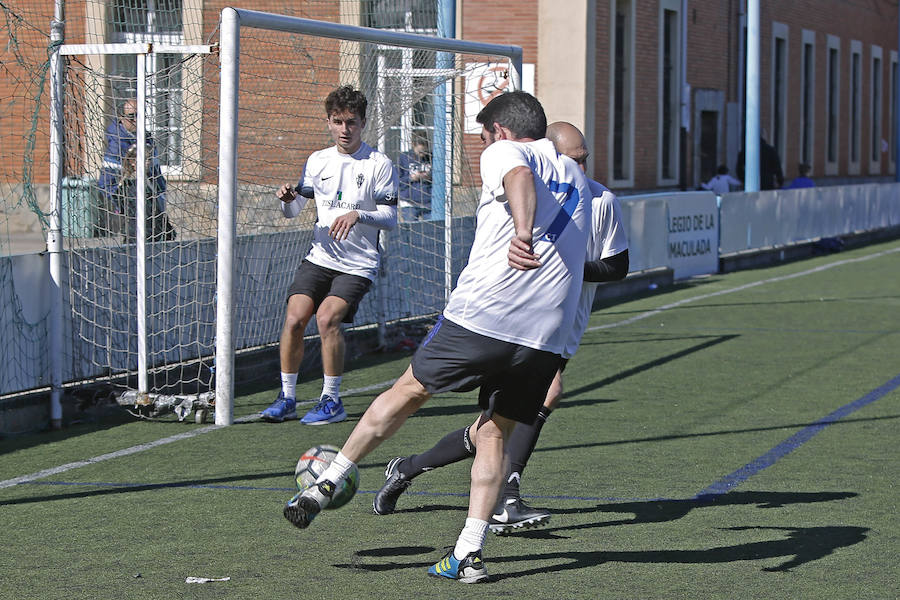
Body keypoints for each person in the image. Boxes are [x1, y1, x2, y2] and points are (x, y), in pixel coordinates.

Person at [282, 91, 591, 584]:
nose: (482, 148)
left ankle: (327, 482)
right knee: (493, 434)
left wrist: (523, 233)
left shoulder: (507, 152)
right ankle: (468, 553)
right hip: (545, 336)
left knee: (406, 391)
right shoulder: (577, 176)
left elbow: (518, 176)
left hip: (486, 315)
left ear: (503, 132)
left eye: (484, 136)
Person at [372, 121, 629, 534]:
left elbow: (618, 266)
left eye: (585, 159)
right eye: (572, 160)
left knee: (491, 427)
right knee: (542, 396)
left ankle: (407, 468)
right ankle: (506, 496)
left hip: (557, 327)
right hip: (508, 324)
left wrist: (563, 266)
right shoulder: (528, 192)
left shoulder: (602, 201)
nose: (580, 166)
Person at [261, 85, 398, 425]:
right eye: (337, 122)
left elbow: (391, 218)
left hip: (358, 263)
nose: (344, 130)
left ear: (363, 123)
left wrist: (358, 214)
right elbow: (293, 211)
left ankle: (331, 400)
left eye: (351, 122)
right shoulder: (318, 160)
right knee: (294, 319)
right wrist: (286, 198)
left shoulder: (378, 164)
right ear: (328, 122)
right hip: (320, 257)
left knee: (327, 319)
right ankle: (288, 398)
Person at [98, 98, 173, 241]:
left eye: (140, 115)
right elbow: (106, 186)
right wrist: (132, 172)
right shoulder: (116, 144)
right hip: (131, 210)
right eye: (132, 116)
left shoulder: (148, 139)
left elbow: (157, 178)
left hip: (151, 206)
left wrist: (160, 199)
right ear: (121, 118)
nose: (136, 120)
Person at [397, 136, 432, 221]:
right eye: (419, 152)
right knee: (411, 228)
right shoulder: (404, 158)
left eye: (424, 152)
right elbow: (397, 181)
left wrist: (429, 176)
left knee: (431, 230)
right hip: (410, 202)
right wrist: (411, 178)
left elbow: (439, 177)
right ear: (413, 146)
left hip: (428, 202)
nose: (422, 155)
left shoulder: (432, 158)